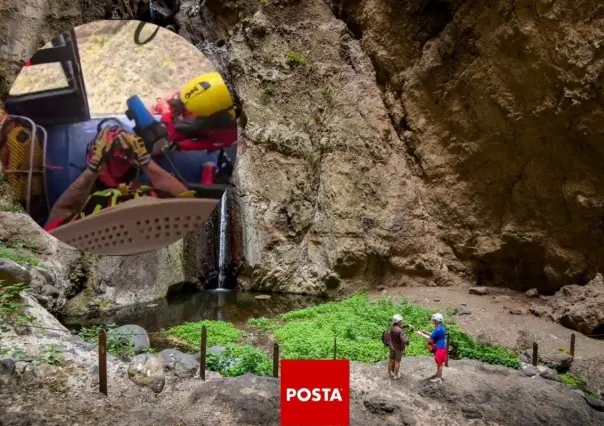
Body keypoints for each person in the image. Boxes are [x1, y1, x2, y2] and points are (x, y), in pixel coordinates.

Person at [44, 127, 192, 231]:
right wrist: (147, 162)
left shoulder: (91, 208)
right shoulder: (157, 202)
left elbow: (60, 213)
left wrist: (92, 169)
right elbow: (188, 203)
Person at [388, 314, 409, 380]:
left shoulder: (391, 327)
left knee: (391, 360)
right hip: (398, 348)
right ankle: (396, 375)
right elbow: (404, 340)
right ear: (398, 321)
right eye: (401, 321)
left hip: (392, 346)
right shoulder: (400, 331)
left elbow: (398, 327)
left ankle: (390, 372)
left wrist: (406, 326)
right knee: (397, 361)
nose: (401, 322)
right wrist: (407, 339)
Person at [428, 313, 447, 383]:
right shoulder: (442, 327)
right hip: (441, 346)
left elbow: (431, 339)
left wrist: (429, 344)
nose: (433, 321)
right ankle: (438, 374)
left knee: (439, 364)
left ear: (437, 321)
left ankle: (439, 378)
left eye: (434, 320)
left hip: (439, 348)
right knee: (439, 363)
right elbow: (436, 336)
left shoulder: (437, 329)